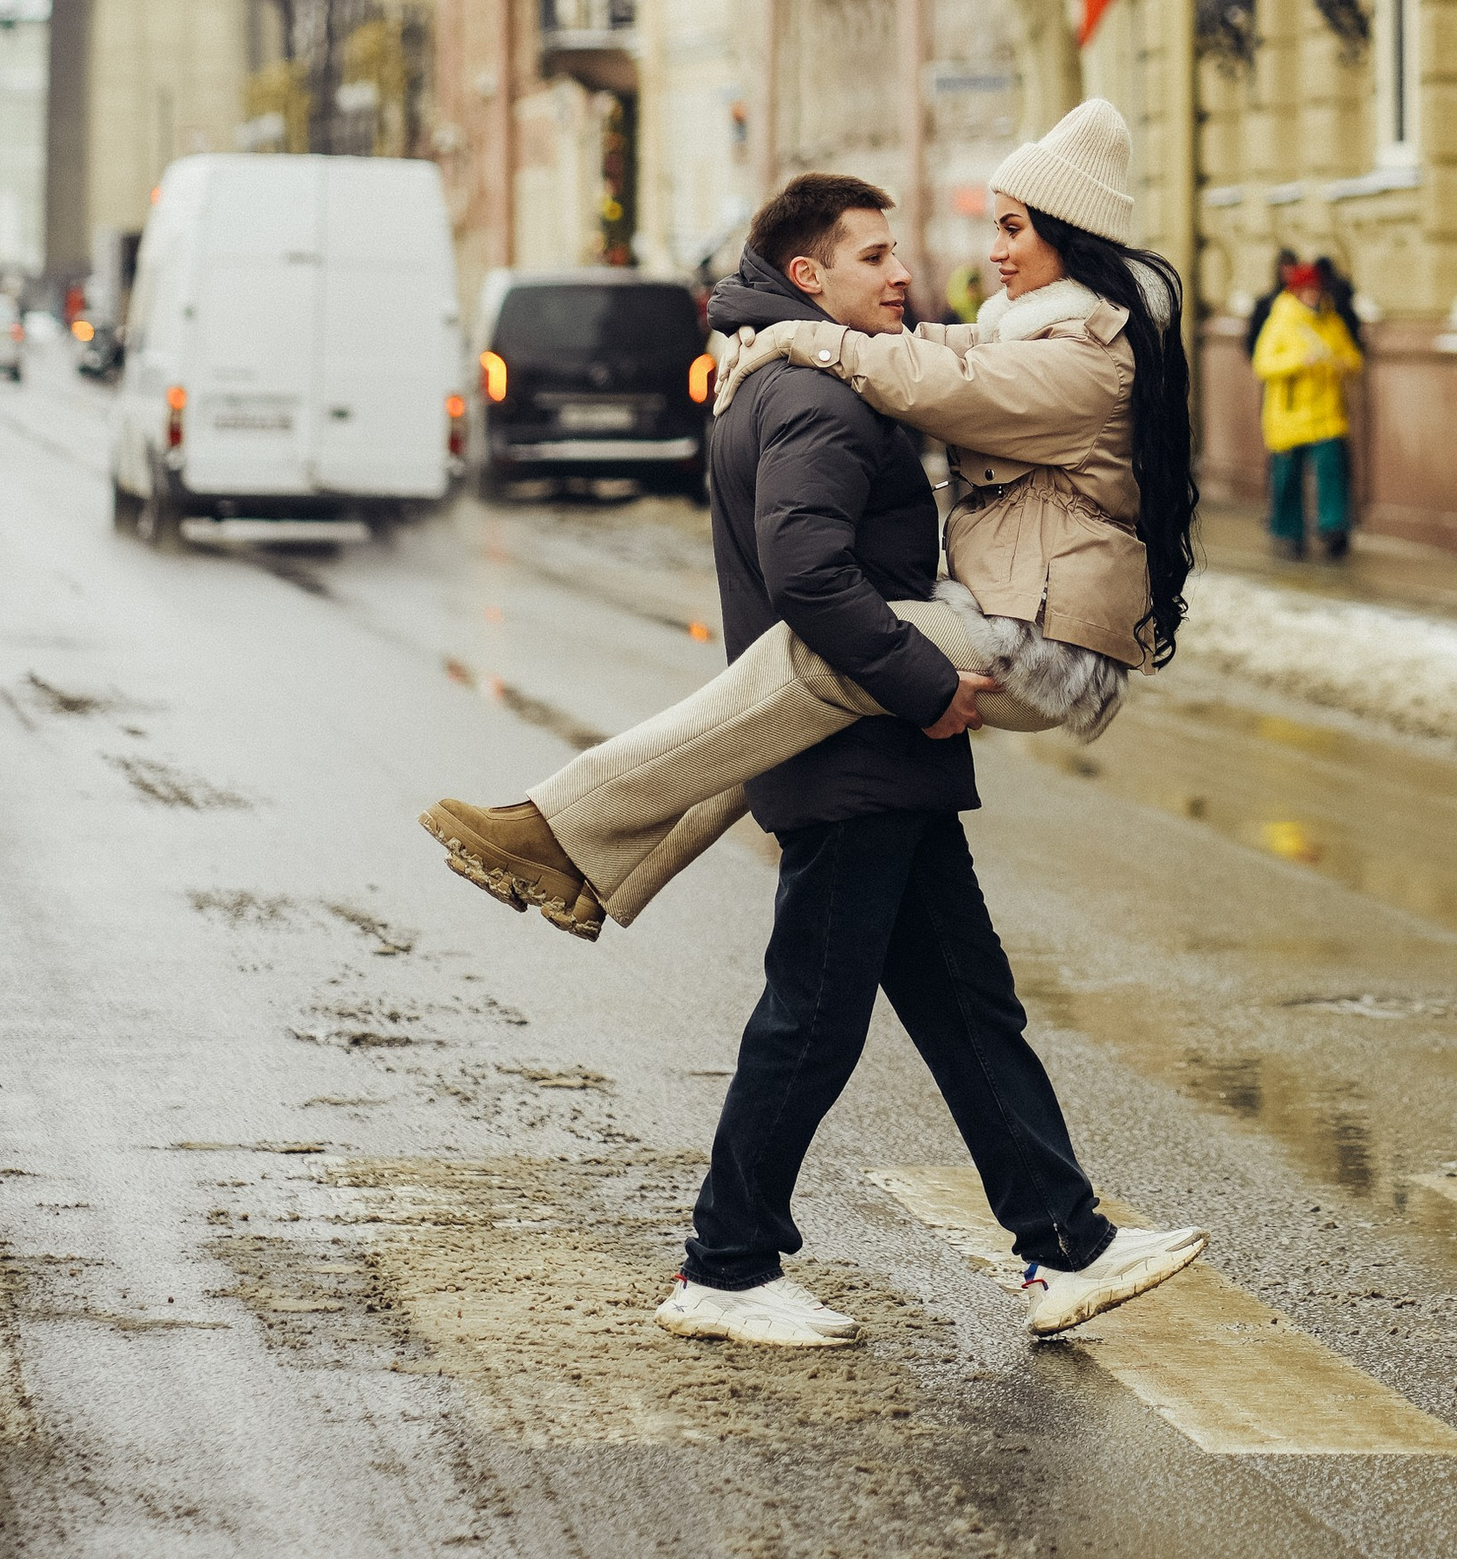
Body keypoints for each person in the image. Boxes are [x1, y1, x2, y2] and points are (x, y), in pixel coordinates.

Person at [425, 110, 1206, 1350]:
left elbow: (946, 376)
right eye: (879, 255)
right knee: (873, 1009)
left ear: (1068, 235)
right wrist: (909, 675)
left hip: (981, 674)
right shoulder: (847, 382)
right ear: (810, 274)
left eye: (1005, 226)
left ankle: (567, 836)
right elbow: (811, 565)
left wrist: (802, 339)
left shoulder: (1054, 355)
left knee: (920, 988)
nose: (939, 262)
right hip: (880, 743)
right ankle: (771, 1261)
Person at [1249, 249, 1364, 560]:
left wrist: (1339, 362)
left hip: (1327, 414)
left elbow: (1353, 359)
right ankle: (1289, 533)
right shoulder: (1281, 321)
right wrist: (1298, 360)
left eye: (1316, 290)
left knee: (1331, 471)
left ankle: (1333, 528)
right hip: (1289, 414)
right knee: (1287, 478)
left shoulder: (1330, 321)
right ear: (1296, 292)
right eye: (1306, 291)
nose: (1312, 296)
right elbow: (1263, 363)